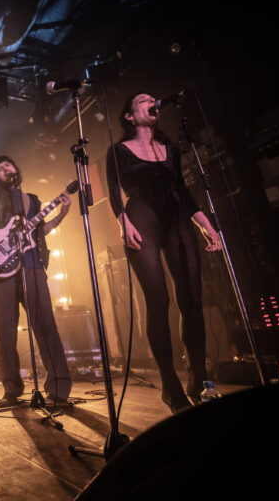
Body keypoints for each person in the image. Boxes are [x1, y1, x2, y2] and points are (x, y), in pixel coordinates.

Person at [105, 92, 221, 414]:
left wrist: (205, 224)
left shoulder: (170, 148)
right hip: (141, 219)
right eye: (143, 100)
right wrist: (122, 220)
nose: (152, 101)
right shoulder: (118, 151)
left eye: (153, 98)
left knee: (192, 301)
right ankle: (170, 387)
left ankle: (198, 379)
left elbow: (182, 189)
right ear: (130, 116)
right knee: (159, 301)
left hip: (177, 220)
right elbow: (114, 191)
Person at [0, 99, 72, 407]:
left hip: (31, 266)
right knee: (5, 332)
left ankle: (58, 388)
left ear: (17, 170)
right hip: (1, 271)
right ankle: (12, 390)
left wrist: (63, 214)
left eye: (9, 165)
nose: (4, 169)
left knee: (45, 325)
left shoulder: (32, 199)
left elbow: (40, 231)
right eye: (0, 168)